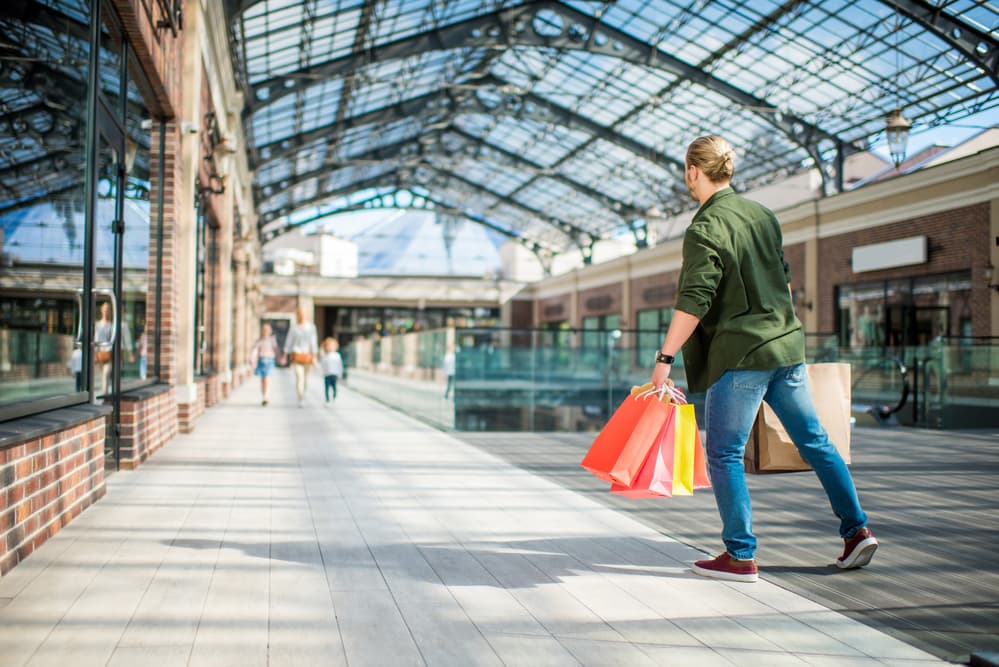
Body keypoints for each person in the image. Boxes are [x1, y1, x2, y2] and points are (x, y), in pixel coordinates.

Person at [650, 135, 876, 583]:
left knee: (723, 452)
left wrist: (664, 358)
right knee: (815, 442)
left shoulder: (704, 227)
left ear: (694, 171)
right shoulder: (763, 216)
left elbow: (694, 300)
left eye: (686, 170)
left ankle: (740, 554)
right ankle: (856, 531)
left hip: (741, 354)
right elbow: (785, 282)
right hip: (784, 347)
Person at [284, 307, 318, 407]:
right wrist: (285, 354)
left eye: (304, 314)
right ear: (298, 315)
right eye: (300, 314)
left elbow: (313, 342)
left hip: (307, 356)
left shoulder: (311, 327)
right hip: (297, 355)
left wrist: (314, 357)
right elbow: (289, 341)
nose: (302, 316)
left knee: (306, 379)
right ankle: (300, 398)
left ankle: (303, 394)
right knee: (299, 377)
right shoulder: (294, 328)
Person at [250, 323, 281, 405]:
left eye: (267, 329)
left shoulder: (272, 340)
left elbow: (276, 349)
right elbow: (255, 351)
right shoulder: (259, 340)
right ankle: (263, 396)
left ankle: (266, 396)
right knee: (262, 380)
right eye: (264, 329)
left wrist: (279, 357)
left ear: (270, 331)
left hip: (269, 361)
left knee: (266, 379)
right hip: (261, 360)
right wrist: (252, 360)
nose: (265, 331)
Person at [319, 337, 343, 403]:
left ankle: (334, 396)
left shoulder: (337, 355)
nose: (330, 347)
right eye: (328, 346)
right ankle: (327, 399)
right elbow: (322, 364)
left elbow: (340, 365)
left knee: (334, 387)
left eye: (332, 346)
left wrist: (340, 375)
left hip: (334, 374)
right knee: (326, 388)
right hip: (327, 375)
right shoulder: (325, 356)